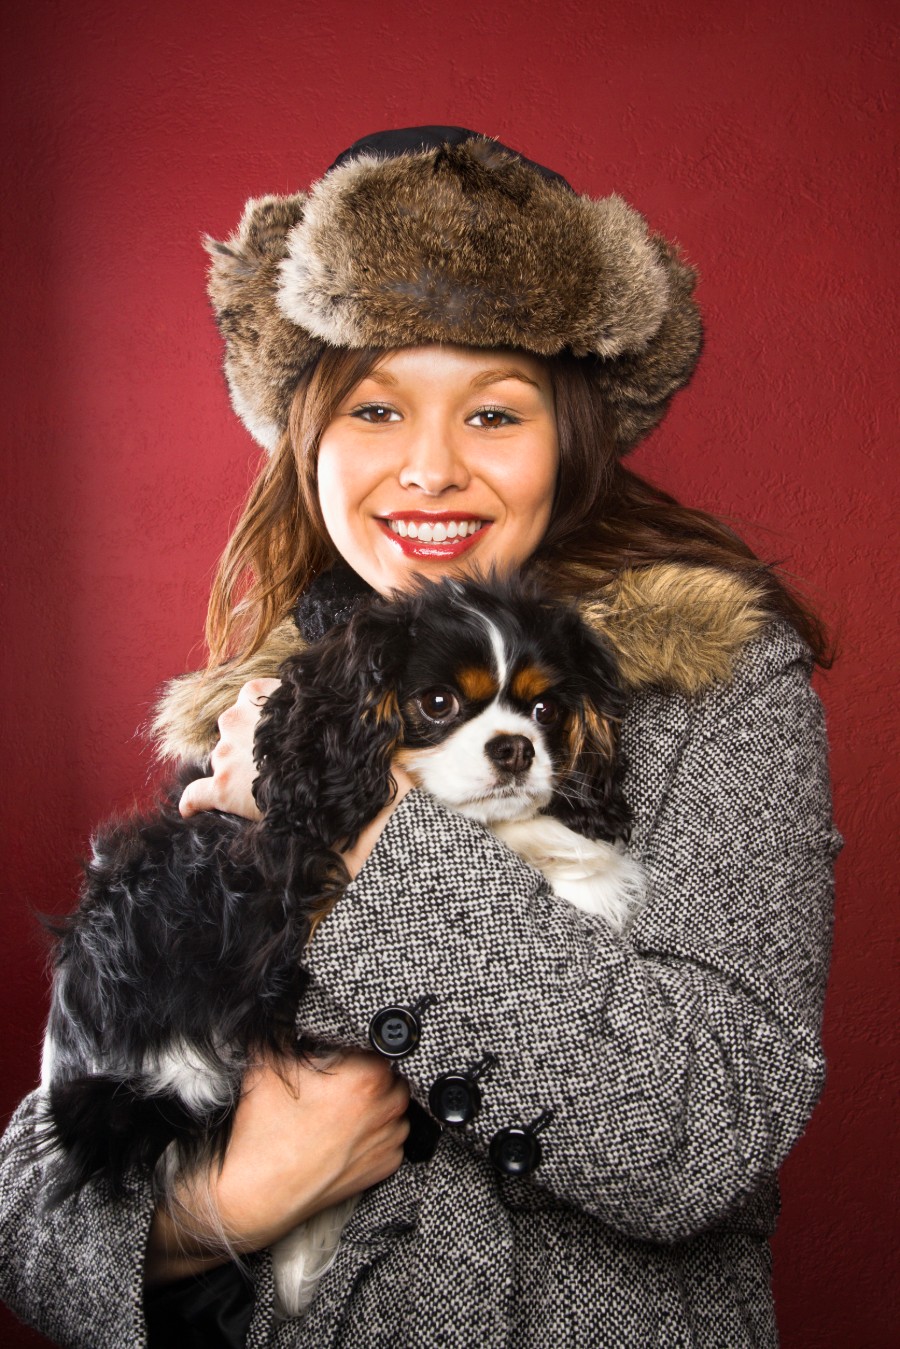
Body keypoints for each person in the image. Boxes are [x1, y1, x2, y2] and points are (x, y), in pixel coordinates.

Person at [0, 127, 839, 1347]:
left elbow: (707, 1125)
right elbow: (32, 1204)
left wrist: (360, 846)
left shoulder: (713, 689)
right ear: (306, 438)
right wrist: (226, 1199)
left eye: (494, 413)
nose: (432, 469)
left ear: (571, 436)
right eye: (378, 406)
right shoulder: (257, 712)